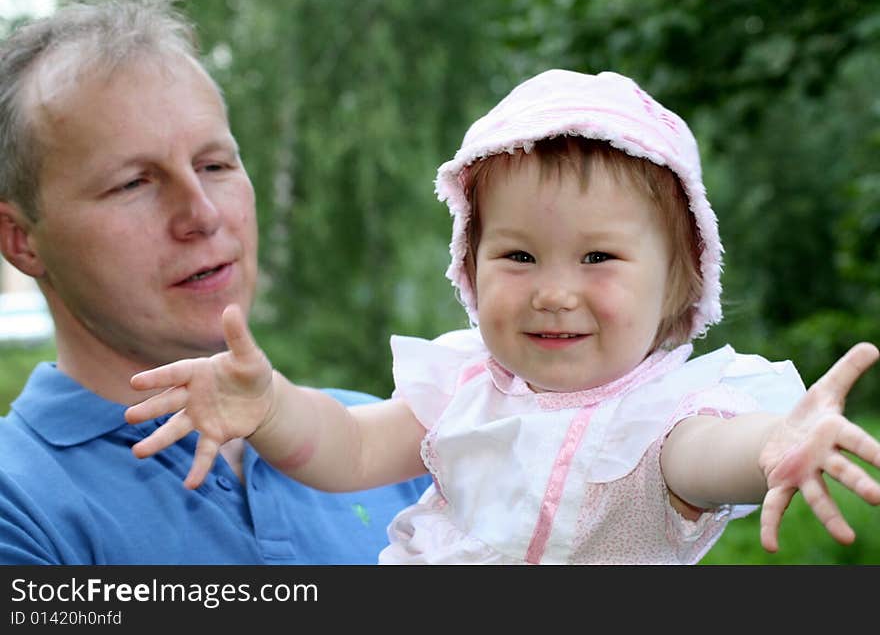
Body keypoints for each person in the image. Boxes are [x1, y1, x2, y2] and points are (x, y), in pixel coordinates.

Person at [126, 69, 880, 565]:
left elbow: (709, 456)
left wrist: (774, 443)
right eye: (518, 257)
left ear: (679, 284)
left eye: (597, 259)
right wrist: (270, 405)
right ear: (469, 265)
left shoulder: (660, 419)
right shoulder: (464, 387)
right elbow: (349, 449)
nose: (554, 292)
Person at [0, 0, 429, 565]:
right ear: (22, 240)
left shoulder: (391, 439)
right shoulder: (18, 503)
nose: (201, 214)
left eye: (215, 164)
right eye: (134, 183)